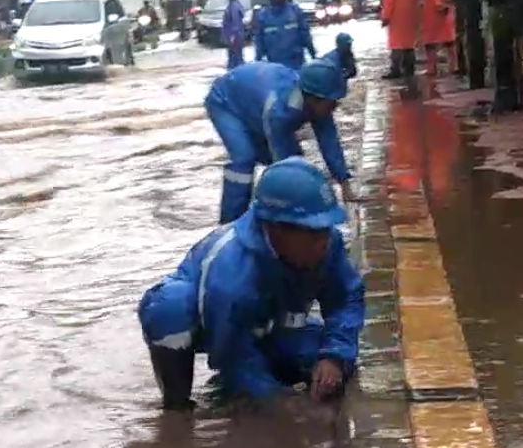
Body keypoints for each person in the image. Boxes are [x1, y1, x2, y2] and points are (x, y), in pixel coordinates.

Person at [137, 157, 365, 411]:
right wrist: (281, 404)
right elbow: (233, 356)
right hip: (216, 325)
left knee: (328, 361)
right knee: (169, 308)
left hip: (272, 323)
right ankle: (177, 408)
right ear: (275, 229)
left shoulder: (326, 243)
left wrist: (334, 356)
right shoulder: (230, 273)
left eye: (325, 228)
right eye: (312, 232)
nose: (323, 241)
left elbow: (346, 298)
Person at [205, 59, 355, 224]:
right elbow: (282, 161)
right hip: (225, 102)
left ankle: (266, 214)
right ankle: (230, 222)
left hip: (255, 103)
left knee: (294, 161)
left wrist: (344, 183)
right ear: (312, 98)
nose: (335, 107)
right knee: (245, 159)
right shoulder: (279, 111)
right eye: (331, 102)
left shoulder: (318, 102)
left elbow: (329, 141)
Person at [253, 0, 315, 70]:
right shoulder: (263, 16)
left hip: (296, 63)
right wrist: (258, 61)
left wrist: (313, 54)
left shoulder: (295, 11)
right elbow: (259, 41)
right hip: (274, 66)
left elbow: (305, 34)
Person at [381, 0, 420, 80]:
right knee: (409, 42)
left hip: (396, 14)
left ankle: (395, 69)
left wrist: (386, 16)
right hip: (411, 13)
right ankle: (410, 68)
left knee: (396, 43)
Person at [416, 0, 456, 76]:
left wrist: (438, 4)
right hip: (446, 9)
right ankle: (453, 65)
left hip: (431, 12)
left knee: (430, 41)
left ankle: (432, 67)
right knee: (449, 39)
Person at [323, 32, 357, 99]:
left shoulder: (347, 55)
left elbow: (353, 72)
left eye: (350, 44)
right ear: (341, 45)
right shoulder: (332, 59)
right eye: (347, 44)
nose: (350, 46)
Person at [222, 0, 246, 69]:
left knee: (235, 57)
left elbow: (235, 21)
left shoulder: (233, 6)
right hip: (237, 35)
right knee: (237, 56)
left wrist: (232, 36)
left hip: (235, 36)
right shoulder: (236, 5)